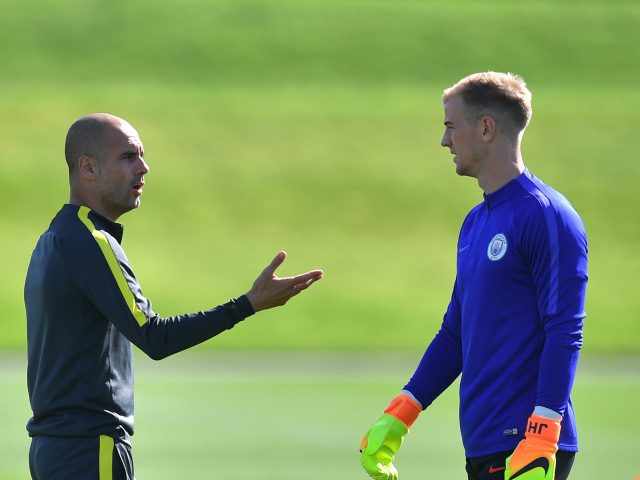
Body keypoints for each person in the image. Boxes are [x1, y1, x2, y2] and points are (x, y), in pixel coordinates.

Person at [25, 113, 324, 479]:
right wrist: (246, 305)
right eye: (128, 156)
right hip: (89, 449)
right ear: (88, 167)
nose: (144, 167)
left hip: (54, 449)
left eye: (142, 155)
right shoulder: (91, 242)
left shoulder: (53, 238)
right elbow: (155, 337)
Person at [359, 72, 588, 480]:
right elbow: (455, 335)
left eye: (450, 126)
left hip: (528, 449)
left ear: (486, 128)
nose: (444, 141)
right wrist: (400, 414)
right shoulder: (474, 223)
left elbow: (565, 328)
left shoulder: (546, 214)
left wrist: (542, 433)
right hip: (483, 445)